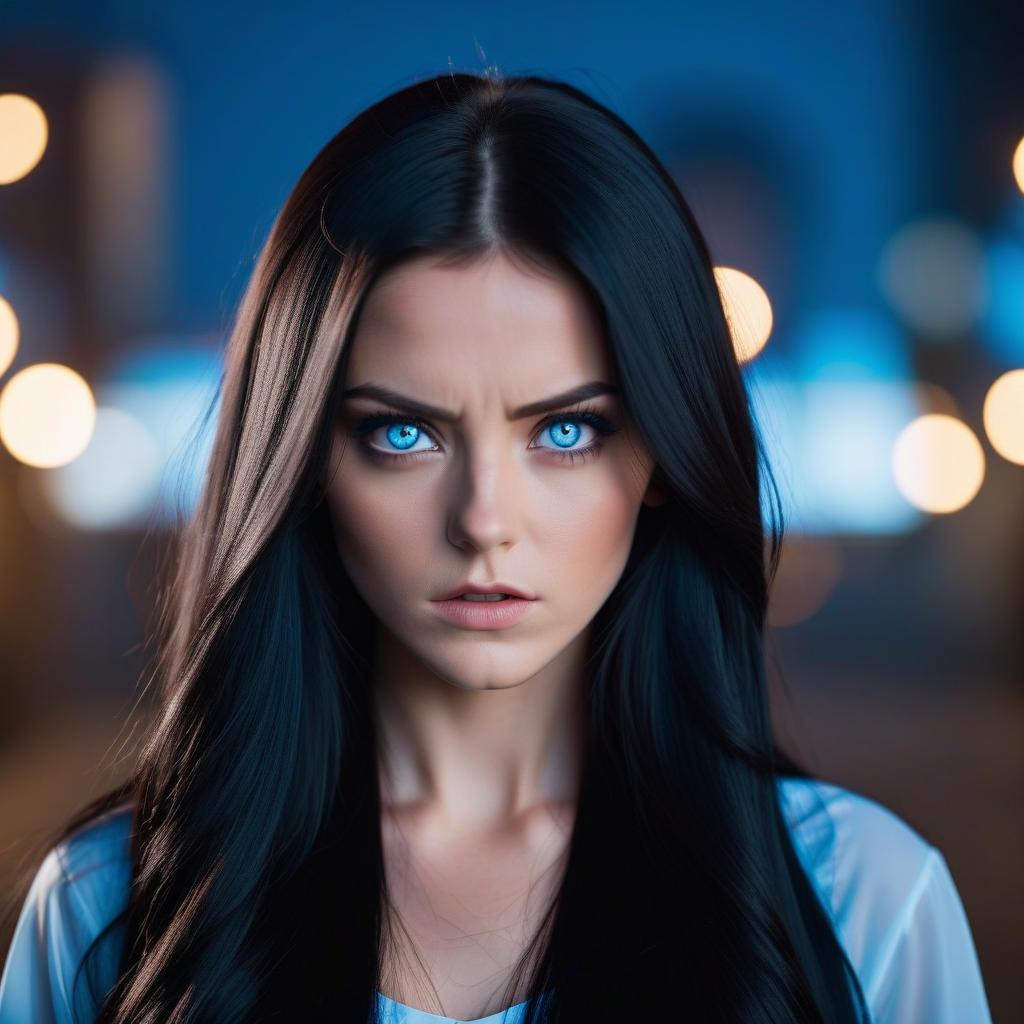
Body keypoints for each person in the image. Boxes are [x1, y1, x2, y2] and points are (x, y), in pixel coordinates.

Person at [0, 70, 993, 1024]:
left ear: (658, 454)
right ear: (305, 459)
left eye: (564, 431)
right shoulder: (108, 907)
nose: (483, 519)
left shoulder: (862, 906)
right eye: (403, 431)